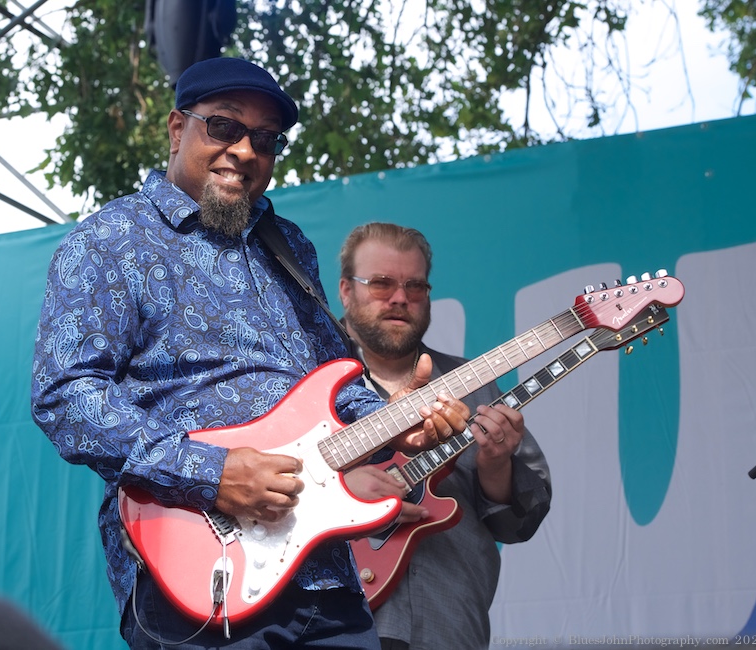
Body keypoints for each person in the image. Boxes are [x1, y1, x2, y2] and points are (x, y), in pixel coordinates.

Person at [30, 58, 471, 649]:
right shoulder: (111, 241)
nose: (244, 149)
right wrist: (212, 474)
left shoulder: (287, 246)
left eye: (265, 139)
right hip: (199, 576)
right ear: (175, 128)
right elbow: (65, 398)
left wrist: (397, 423)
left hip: (324, 576)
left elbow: (332, 387)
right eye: (224, 127)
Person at [338, 223, 552, 650]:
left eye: (415, 286)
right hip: (327, 619)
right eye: (381, 284)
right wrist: (342, 492)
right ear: (346, 290)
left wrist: (497, 466)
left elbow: (521, 522)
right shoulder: (305, 380)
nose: (400, 298)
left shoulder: (474, 383)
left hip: (446, 620)